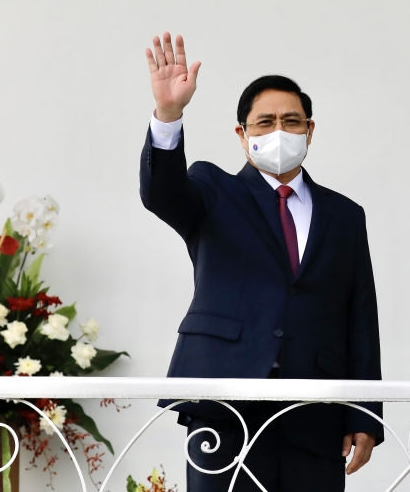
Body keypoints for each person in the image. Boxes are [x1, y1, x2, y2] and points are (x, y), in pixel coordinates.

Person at [139, 33, 383, 492]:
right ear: (242, 134)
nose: (279, 131)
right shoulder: (213, 189)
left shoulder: (345, 215)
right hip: (224, 405)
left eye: (291, 121)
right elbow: (162, 194)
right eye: (265, 122)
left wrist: (366, 414)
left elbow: (360, 317)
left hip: (315, 410)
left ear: (310, 131)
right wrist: (168, 115)